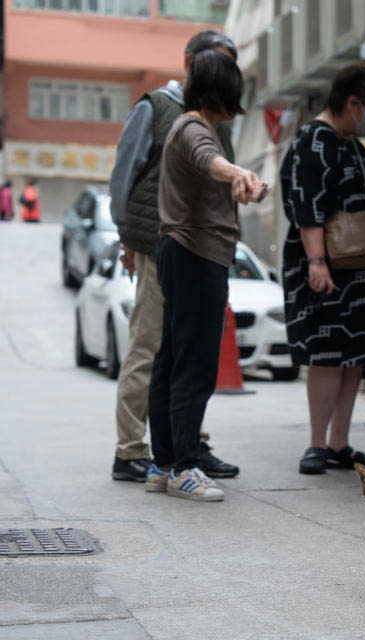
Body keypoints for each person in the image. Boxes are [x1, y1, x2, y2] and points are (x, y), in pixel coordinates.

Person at [108, 30, 240, 483]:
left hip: (202, 249)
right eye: (212, 64)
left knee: (189, 350)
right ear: (189, 62)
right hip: (154, 244)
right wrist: (126, 237)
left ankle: (188, 445)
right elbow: (124, 175)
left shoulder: (215, 119)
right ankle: (131, 450)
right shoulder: (157, 107)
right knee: (149, 348)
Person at [145, 50, 267, 501]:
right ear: (225, 91)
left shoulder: (192, 126)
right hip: (195, 252)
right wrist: (238, 171)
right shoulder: (194, 128)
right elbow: (207, 160)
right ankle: (184, 465)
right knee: (193, 366)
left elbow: (213, 171)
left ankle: (163, 463)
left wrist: (244, 182)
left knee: (173, 359)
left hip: (183, 252)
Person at [279, 64, 365, 475]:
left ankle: (339, 443)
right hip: (325, 263)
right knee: (326, 352)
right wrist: (317, 261)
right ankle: (316, 443)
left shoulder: (350, 143)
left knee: (354, 355)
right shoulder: (315, 140)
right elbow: (308, 205)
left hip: (362, 266)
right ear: (352, 103)